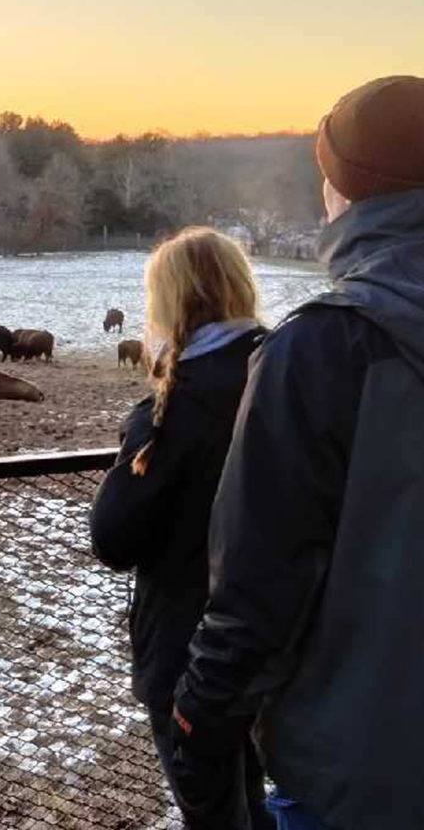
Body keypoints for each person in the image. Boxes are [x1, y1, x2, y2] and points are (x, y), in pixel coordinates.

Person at [172, 75, 424, 830]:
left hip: (364, 777)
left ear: (341, 193)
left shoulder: (324, 347)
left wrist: (198, 729)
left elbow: (257, 584)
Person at [89, 227, 272, 829]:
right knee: (259, 792)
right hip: (284, 640)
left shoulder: (174, 413)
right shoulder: (287, 373)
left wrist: (138, 439)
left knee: (216, 810)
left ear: (169, 307)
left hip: (192, 658)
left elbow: (112, 540)